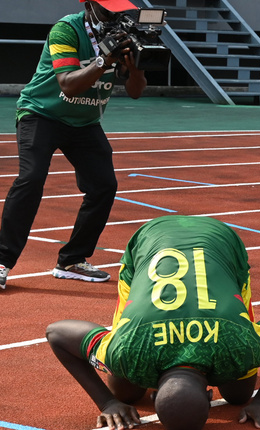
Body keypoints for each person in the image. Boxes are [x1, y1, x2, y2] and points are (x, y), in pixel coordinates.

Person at [45, 215, 260, 430]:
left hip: (208, 242)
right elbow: (57, 332)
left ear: (207, 394)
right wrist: (107, 402)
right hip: (187, 241)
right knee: (236, 392)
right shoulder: (127, 352)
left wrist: (109, 403)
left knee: (237, 393)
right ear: (209, 394)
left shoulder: (238, 347)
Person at [0, 0, 149, 290]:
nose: (116, 14)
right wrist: (104, 60)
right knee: (30, 179)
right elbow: (67, 84)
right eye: (108, 9)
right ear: (90, 5)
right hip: (42, 113)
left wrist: (135, 67)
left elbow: (135, 92)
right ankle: (2, 260)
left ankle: (71, 260)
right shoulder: (66, 30)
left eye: (121, 9)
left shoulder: (123, 35)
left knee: (104, 185)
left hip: (84, 122)